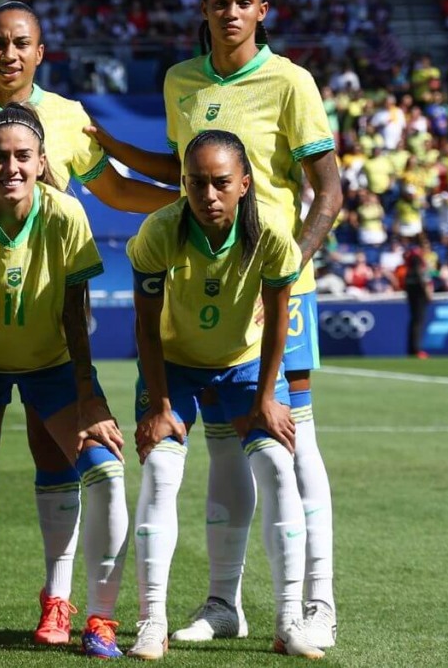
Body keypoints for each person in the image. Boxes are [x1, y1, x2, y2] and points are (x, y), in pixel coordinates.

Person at [0, 0, 176, 646]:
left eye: (21, 43)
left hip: (49, 337)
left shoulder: (68, 120)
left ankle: (61, 600)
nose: (9, 53)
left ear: (40, 52)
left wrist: (193, 208)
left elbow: (119, 193)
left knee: (60, 459)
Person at [92, 0, 342, 650]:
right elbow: (179, 172)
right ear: (203, 9)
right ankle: (223, 603)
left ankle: (317, 604)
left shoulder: (290, 81)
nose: (230, 13)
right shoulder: (181, 80)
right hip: (208, 284)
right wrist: (107, 146)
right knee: (229, 451)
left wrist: (285, 275)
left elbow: (329, 190)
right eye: (218, 2)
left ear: (263, 8)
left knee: (295, 444)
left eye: (243, 2)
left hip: (277, 290)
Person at [0, 103, 128, 659]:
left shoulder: (65, 214)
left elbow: (74, 313)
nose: (10, 167)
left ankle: (85, 613)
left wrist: (90, 396)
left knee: (107, 473)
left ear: (40, 161)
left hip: (51, 368)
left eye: (22, 156)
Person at [125, 130, 323, 660]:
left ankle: (288, 622)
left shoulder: (273, 236)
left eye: (219, 183)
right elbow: (145, 328)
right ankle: (152, 621)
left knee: (281, 469)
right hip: (173, 367)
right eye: (195, 183)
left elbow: (279, 321)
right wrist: (161, 406)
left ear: (244, 185)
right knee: (162, 473)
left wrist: (265, 399)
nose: (207, 195)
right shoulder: (159, 232)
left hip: (244, 366)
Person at [402, 240, 433, 358]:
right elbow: (422, 276)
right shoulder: (417, 258)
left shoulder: (413, 257)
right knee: (418, 321)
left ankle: (412, 349)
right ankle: (416, 349)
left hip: (412, 291)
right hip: (418, 292)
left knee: (415, 321)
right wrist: (427, 292)